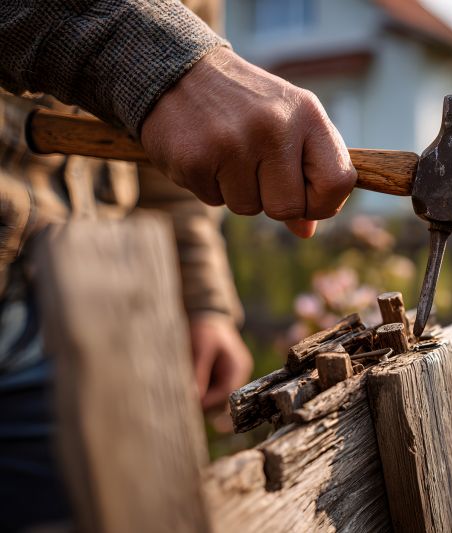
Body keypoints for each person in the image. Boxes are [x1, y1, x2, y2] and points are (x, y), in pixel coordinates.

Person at [0, 0, 356, 530]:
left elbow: (171, 151)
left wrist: (201, 298)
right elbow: (173, 94)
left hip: (66, 318)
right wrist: (160, 62)